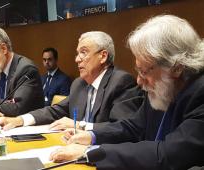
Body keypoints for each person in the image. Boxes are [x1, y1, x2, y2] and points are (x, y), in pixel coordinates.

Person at [48, 15, 204, 170]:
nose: (139, 81)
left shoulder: (200, 92)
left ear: (176, 68)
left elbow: (168, 154)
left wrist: (90, 153)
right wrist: (91, 136)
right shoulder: (164, 86)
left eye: (143, 72)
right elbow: (133, 127)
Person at [0, 31, 143, 131]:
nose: (77, 59)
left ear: (103, 56)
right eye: (77, 53)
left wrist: (80, 126)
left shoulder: (121, 81)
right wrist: (19, 120)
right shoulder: (79, 84)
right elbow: (55, 110)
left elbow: (122, 128)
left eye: (83, 52)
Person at [0, 26, 44, 117]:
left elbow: (17, 107)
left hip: (28, 127)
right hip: (2, 125)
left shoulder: (26, 70)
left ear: (3, 49)